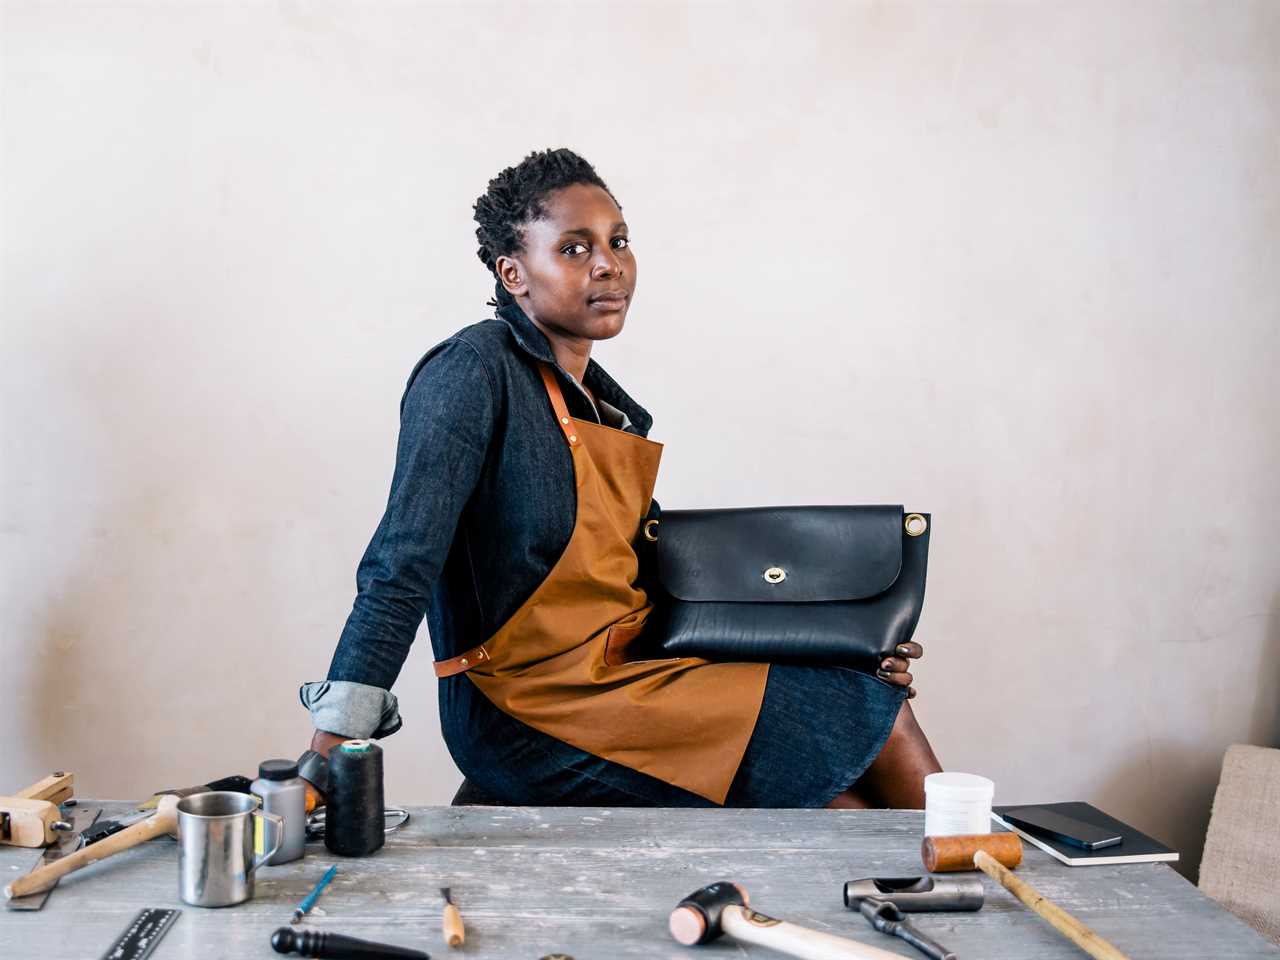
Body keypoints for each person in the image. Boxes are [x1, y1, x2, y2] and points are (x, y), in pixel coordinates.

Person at [299, 148, 942, 808]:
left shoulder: (603, 406)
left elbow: (650, 580)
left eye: (618, 242)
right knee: (882, 722)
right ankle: (983, 878)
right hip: (526, 704)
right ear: (513, 272)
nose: (608, 264)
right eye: (575, 249)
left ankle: (956, 892)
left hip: (626, 673)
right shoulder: (471, 372)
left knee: (848, 781)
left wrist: (841, 645)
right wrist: (328, 752)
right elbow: (400, 564)